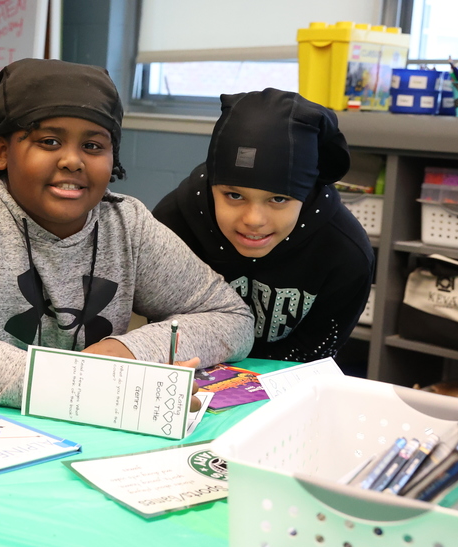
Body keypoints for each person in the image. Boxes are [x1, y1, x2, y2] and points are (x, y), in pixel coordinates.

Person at [0, 58, 254, 407]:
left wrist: (128, 351)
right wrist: (99, 383)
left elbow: (233, 319)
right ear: (1, 151)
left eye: (93, 146)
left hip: (72, 417)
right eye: (49, 141)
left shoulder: (126, 223)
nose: (72, 160)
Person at [153, 88, 374, 363]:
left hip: (290, 384)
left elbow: (314, 351)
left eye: (279, 199)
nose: (253, 220)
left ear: (305, 196)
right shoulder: (172, 225)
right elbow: (162, 330)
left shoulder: (344, 252)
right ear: (213, 185)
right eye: (234, 196)